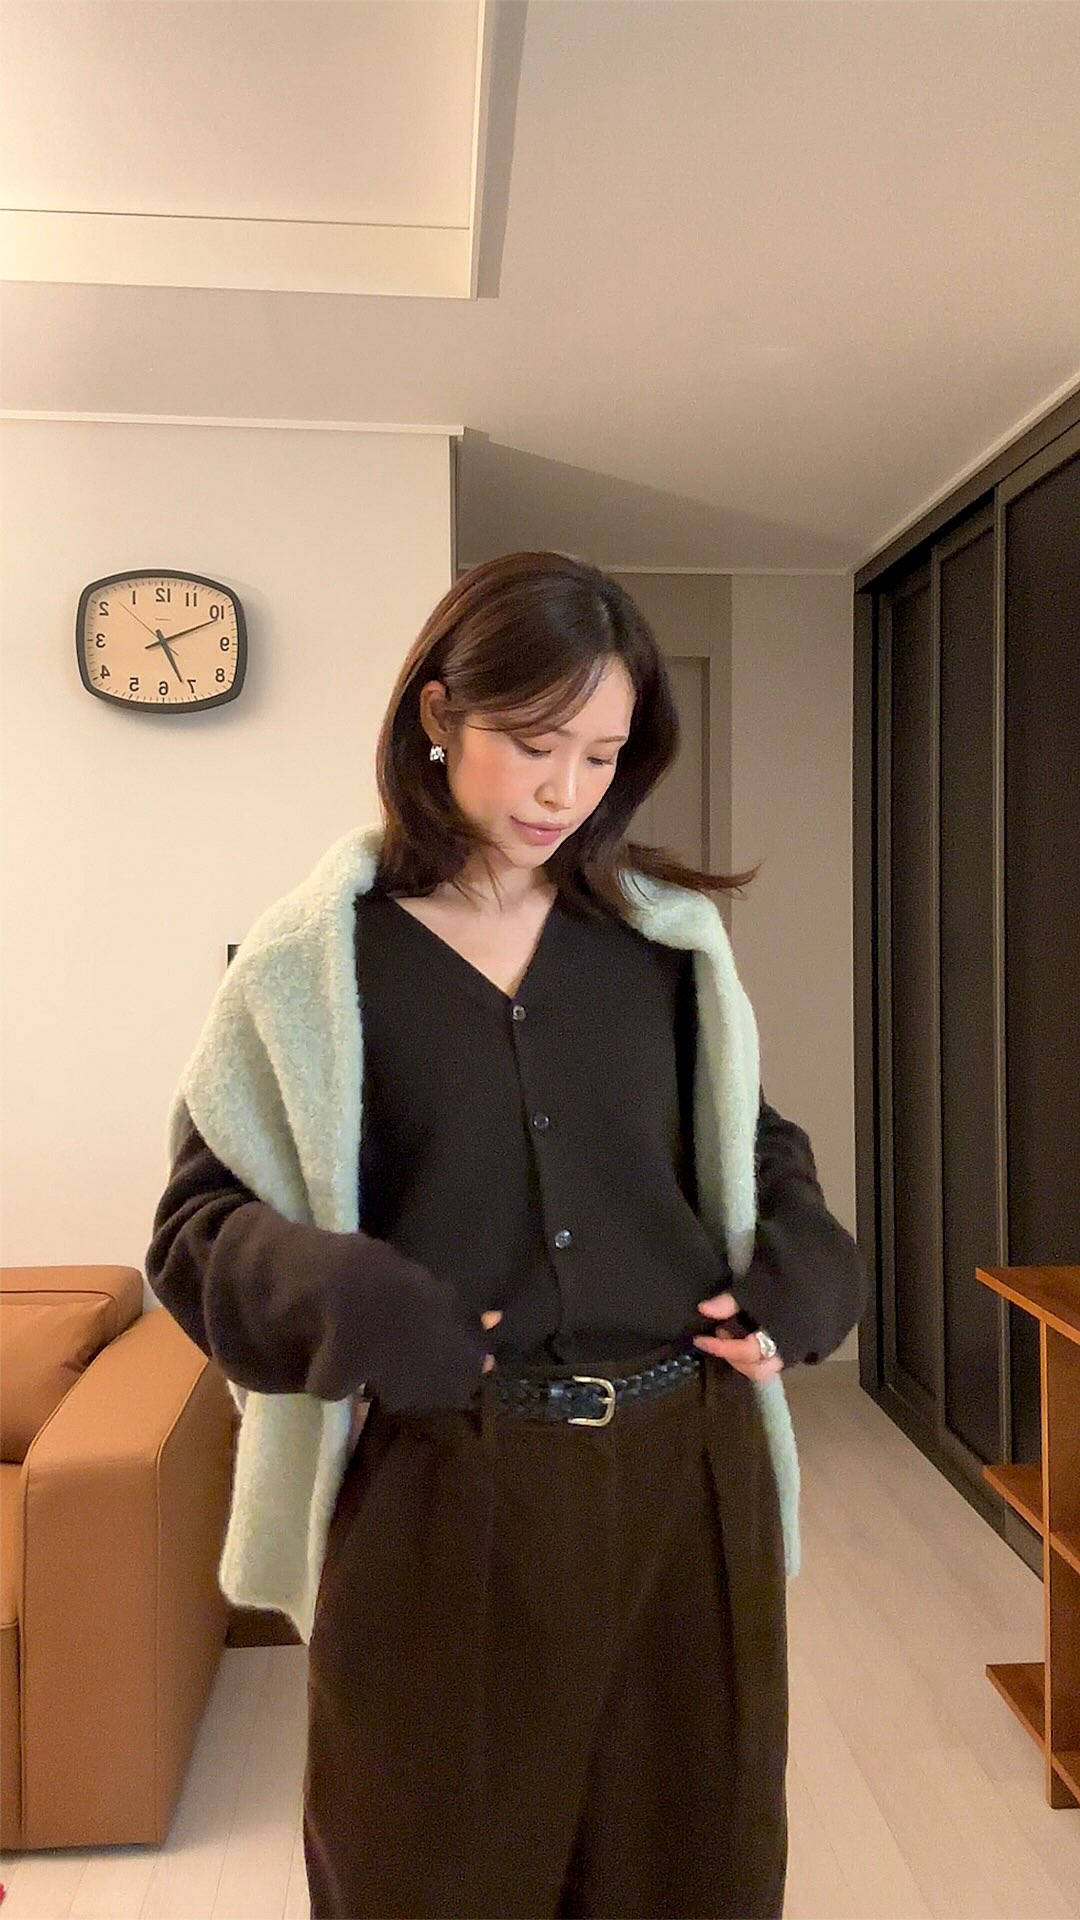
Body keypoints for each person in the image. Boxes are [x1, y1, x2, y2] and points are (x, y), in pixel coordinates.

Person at [145, 550, 867, 1920]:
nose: (564, 791)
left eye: (602, 755)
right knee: (422, 1876)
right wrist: (356, 1301)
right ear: (439, 714)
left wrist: (808, 1269)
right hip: (442, 1485)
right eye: (535, 744)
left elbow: (752, 1146)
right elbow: (197, 1231)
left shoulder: (665, 948)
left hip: (685, 1476)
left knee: (694, 1870)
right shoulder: (312, 968)